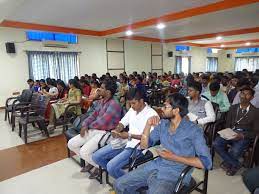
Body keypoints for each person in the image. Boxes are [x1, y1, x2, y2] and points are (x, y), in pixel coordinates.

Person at [114, 93, 212, 194]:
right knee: (119, 185)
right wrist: (148, 125)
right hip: (156, 166)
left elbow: (206, 163)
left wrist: (173, 157)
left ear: (176, 110)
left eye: (166, 106)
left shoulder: (193, 130)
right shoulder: (163, 124)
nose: (162, 109)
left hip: (175, 173)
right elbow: (144, 145)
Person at [91, 88, 158, 179]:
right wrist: (117, 130)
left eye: (134, 103)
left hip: (137, 147)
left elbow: (149, 139)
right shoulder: (132, 110)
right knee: (96, 157)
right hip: (125, 141)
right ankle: (124, 177)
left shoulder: (152, 115)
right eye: (130, 103)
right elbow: (122, 122)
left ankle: (127, 182)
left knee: (111, 166)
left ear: (141, 101)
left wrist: (129, 135)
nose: (132, 106)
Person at [67, 79, 122, 176]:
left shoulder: (114, 104)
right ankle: (95, 163)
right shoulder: (102, 101)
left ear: (108, 92)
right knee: (71, 144)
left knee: (84, 152)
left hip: (107, 133)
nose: (99, 90)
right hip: (96, 129)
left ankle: (99, 166)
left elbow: (102, 122)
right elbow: (93, 115)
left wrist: (88, 126)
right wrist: (85, 124)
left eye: (102, 88)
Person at [213, 87, 259, 176]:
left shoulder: (256, 111)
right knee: (216, 144)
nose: (244, 96)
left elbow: (256, 131)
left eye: (247, 94)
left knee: (235, 149)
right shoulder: (233, 108)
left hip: (244, 134)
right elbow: (227, 124)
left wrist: (242, 135)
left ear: (252, 97)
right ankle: (236, 164)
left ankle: (230, 164)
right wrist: (228, 132)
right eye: (242, 93)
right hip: (231, 131)